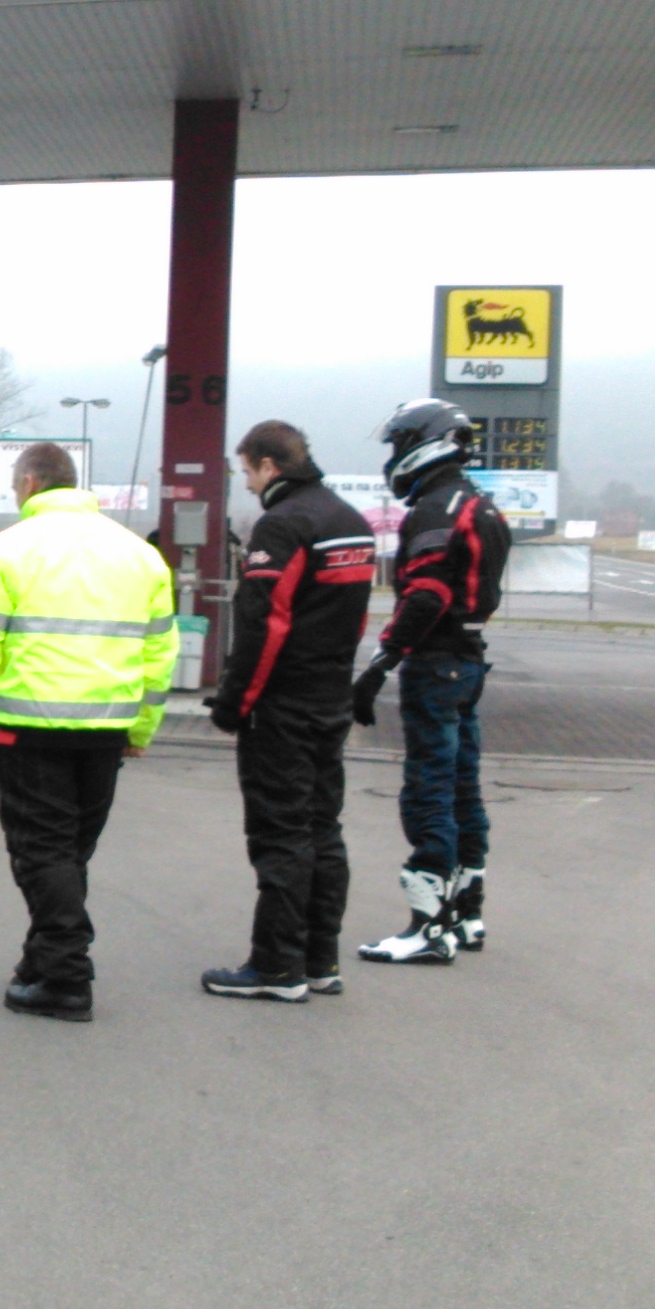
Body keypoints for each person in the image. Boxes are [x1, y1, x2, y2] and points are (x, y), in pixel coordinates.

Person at [0, 443, 177, 1021]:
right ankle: (42, 960)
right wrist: (143, 727)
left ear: (29, 483)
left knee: (41, 853)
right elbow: (159, 656)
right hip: (107, 731)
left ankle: (66, 976)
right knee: (69, 854)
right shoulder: (141, 556)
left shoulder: (6, 551)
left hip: (33, 728)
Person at [199, 420, 377, 1001]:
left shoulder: (282, 525)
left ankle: (277, 967)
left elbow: (264, 625)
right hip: (330, 698)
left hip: (282, 707)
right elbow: (355, 619)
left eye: (247, 471)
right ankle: (320, 958)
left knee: (281, 833)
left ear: (270, 466)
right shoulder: (351, 522)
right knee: (324, 828)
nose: (248, 484)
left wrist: (233, 704)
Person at [351, 398, 511, 964]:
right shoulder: (480, 504)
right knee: (463, 786)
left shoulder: (435, 510)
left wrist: (380, 664)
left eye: (399, 443)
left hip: (436, 663)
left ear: (424, 444)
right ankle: (467, 914)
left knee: (429, 790)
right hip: (469, 658)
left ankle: (428, 928)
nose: (394, 455)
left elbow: (427, 595)